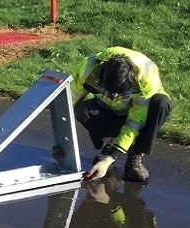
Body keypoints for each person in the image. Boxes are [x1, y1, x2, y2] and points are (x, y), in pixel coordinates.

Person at [64, 46, 172, 182]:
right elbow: (70, 99)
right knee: (82, 110)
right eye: (112, 90)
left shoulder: (146, 79)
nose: (115, 95)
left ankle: (135, 154)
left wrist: (110, 158)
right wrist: (61, 142)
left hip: (137, 110)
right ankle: (113, 141)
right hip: (109, 108)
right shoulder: (88, 68)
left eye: (120, 91)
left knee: (161, 103)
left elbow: (136, 121)